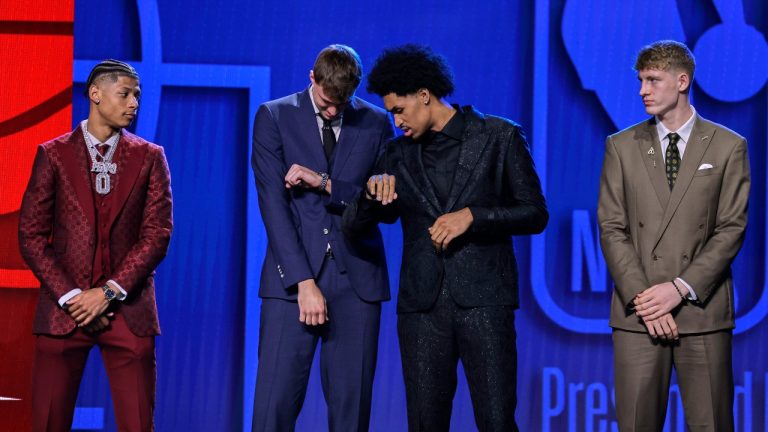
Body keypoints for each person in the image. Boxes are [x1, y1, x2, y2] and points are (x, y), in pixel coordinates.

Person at [344, 44, 548, 431]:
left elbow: (535, 213)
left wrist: (473, 216)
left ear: (425, 95)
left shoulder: (499, 136)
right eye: (391, 114)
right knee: (424, 423)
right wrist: (370, 195)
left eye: (399, 110)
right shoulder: (396, 153)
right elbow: (354, 225)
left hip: (485, 303)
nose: (396, 121)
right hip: (421, 309)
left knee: (496, 421)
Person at [598, 40, 749, 431]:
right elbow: (612, 227)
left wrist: (679, 288)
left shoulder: (729, 146)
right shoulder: (621, 146)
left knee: (711, 423)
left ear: (682, 81)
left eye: (652, 80)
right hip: (640, 314)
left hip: (702, 311)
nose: (641, 90)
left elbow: (731, 227)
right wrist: (647, 300)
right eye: (640, 80)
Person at [18, 59, 173, 431]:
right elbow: (32, 235)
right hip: (64, 314)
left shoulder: (151, 157)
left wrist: (107, 292)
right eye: (125, 94)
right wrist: (72, 297)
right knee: (48, 422)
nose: (134, 103)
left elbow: (157, 234)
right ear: (95, 94)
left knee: (138, 423)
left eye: (137, 95)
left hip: (128, 308)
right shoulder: (53, 154)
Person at [250, 44, 394, 431]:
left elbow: (385, 207)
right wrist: (303, 282)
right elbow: (273, 207)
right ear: (311, 78)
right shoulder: (273, 117)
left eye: (343, 103)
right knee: (272, 409)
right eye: (328, 102)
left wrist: (327, 183)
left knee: (351, 413)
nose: (334, 111)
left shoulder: (376, 122)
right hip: (291, 282)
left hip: (357, 281)